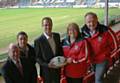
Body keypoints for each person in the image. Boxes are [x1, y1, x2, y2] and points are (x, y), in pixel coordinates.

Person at [81, 12, 118, 83]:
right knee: (97, 76)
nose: (91, 24)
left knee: (98, 79)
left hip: (102, 60)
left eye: (93, 21)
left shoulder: (105, 30)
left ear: (97, 20)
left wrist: (107, 55)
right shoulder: (83, 33)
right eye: (89, 22)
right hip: (91, 60)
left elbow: (115, 44)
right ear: (85, 22)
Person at [34, 17, 63, 83]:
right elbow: (37, 58)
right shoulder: (38, 41)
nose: (48, 27)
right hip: (46, 72)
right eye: (46, 25)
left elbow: (60, 50)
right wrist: (47, 65)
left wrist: (61, 61)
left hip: (57, 69)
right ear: (42, 26)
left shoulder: (57, 36)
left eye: (50, 24)